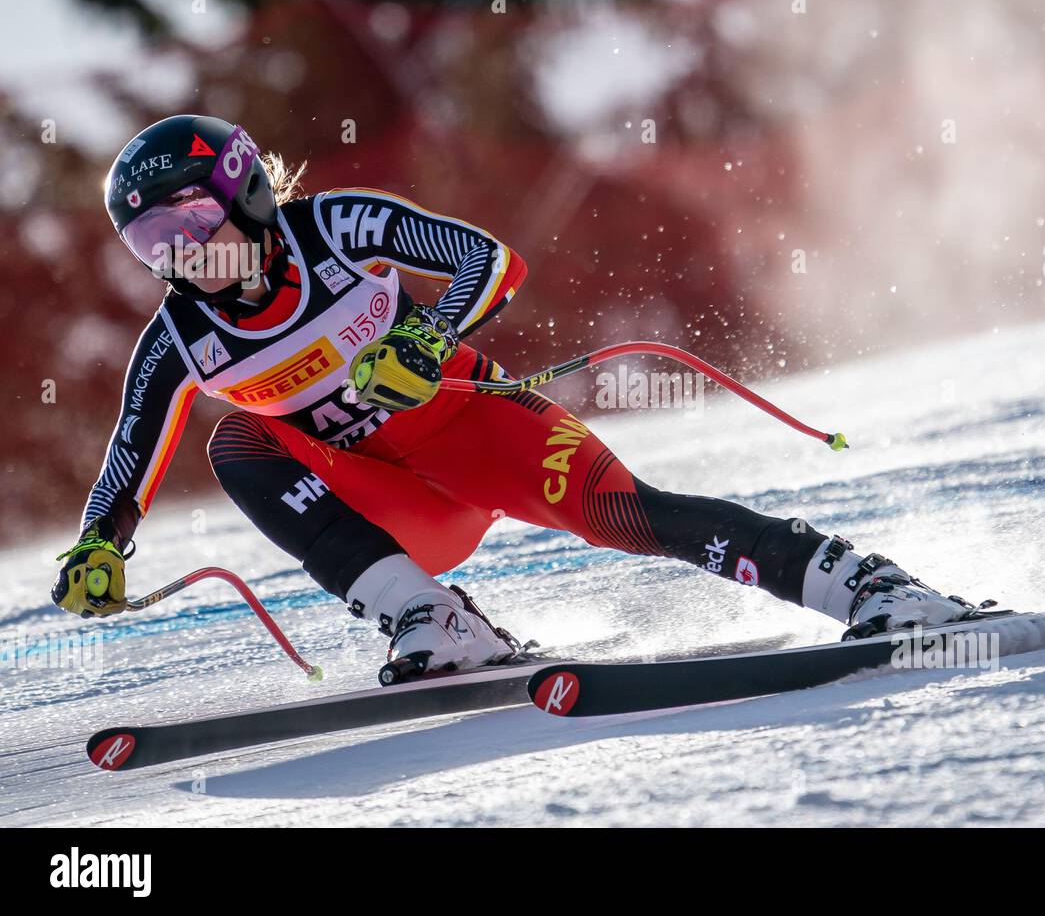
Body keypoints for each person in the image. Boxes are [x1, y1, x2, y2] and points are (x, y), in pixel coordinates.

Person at [50, 114, 973, 677]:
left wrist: (423, 337)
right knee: (238, 444)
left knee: (627, 514)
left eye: (192, 222)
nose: (182, 256)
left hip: (477, 431)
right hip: (398, 504)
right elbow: (132, 456)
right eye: (154, 244)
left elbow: (488, 261)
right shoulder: (180, 336)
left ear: (242, 191)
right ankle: (431, 617)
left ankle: (866, 587)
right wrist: (98, 544)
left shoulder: (330, 226)